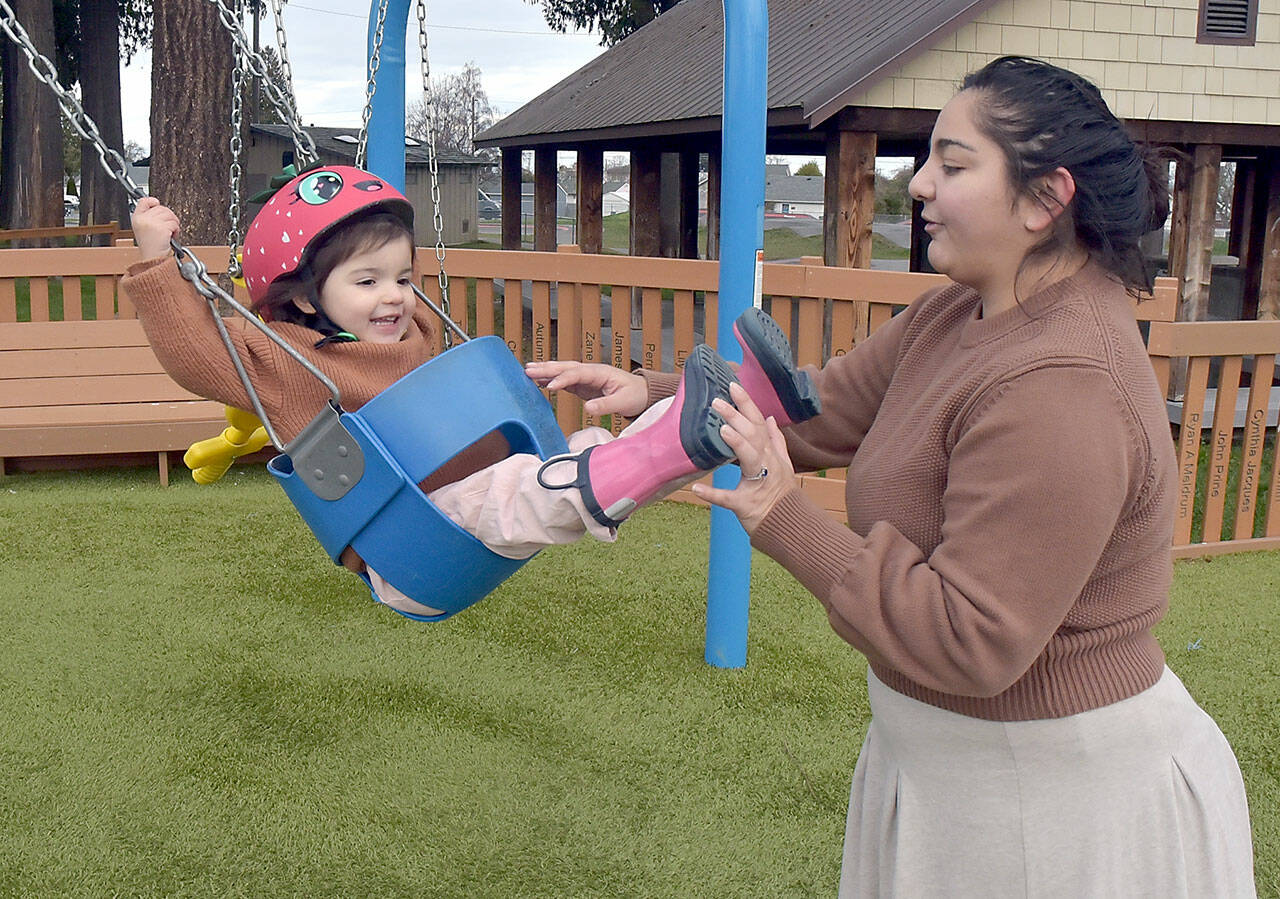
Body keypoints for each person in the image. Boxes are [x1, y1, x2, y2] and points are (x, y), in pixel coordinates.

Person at [549, 57, 1257, 896]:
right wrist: (663, 394)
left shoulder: (1065, 386)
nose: (917, 184)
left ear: (1044, 199)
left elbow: (972, 636)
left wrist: (782, 514)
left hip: (1056, 805)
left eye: (953, 166)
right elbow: (819, 409)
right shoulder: (955, 312)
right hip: (949, 772)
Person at [122, 164, 818, 620]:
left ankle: (741, 411)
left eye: (402, 275)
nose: (394, 296)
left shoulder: (411, 327)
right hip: (410, 549)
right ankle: (664, 445)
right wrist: (159, 260)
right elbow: (195, 353)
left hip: (494, 492)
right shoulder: (287, 360)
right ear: (303, 299)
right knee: (540, 482)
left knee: (587, 453)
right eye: (367, 282)